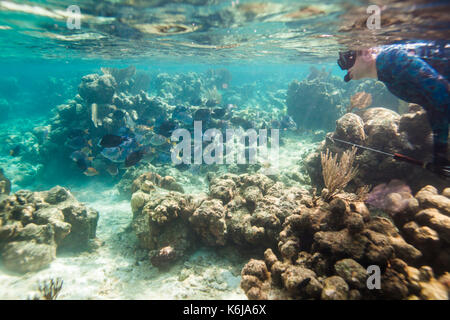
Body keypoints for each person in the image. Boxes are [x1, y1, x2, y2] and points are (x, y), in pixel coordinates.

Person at [337, 42, 449, 177]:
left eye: (348, 56)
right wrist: (440, 154)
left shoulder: (391, 58)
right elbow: (433, 104)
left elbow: (442, 93)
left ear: (366, 52)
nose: (344, 67)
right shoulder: (388, 77)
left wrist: (440, 153)